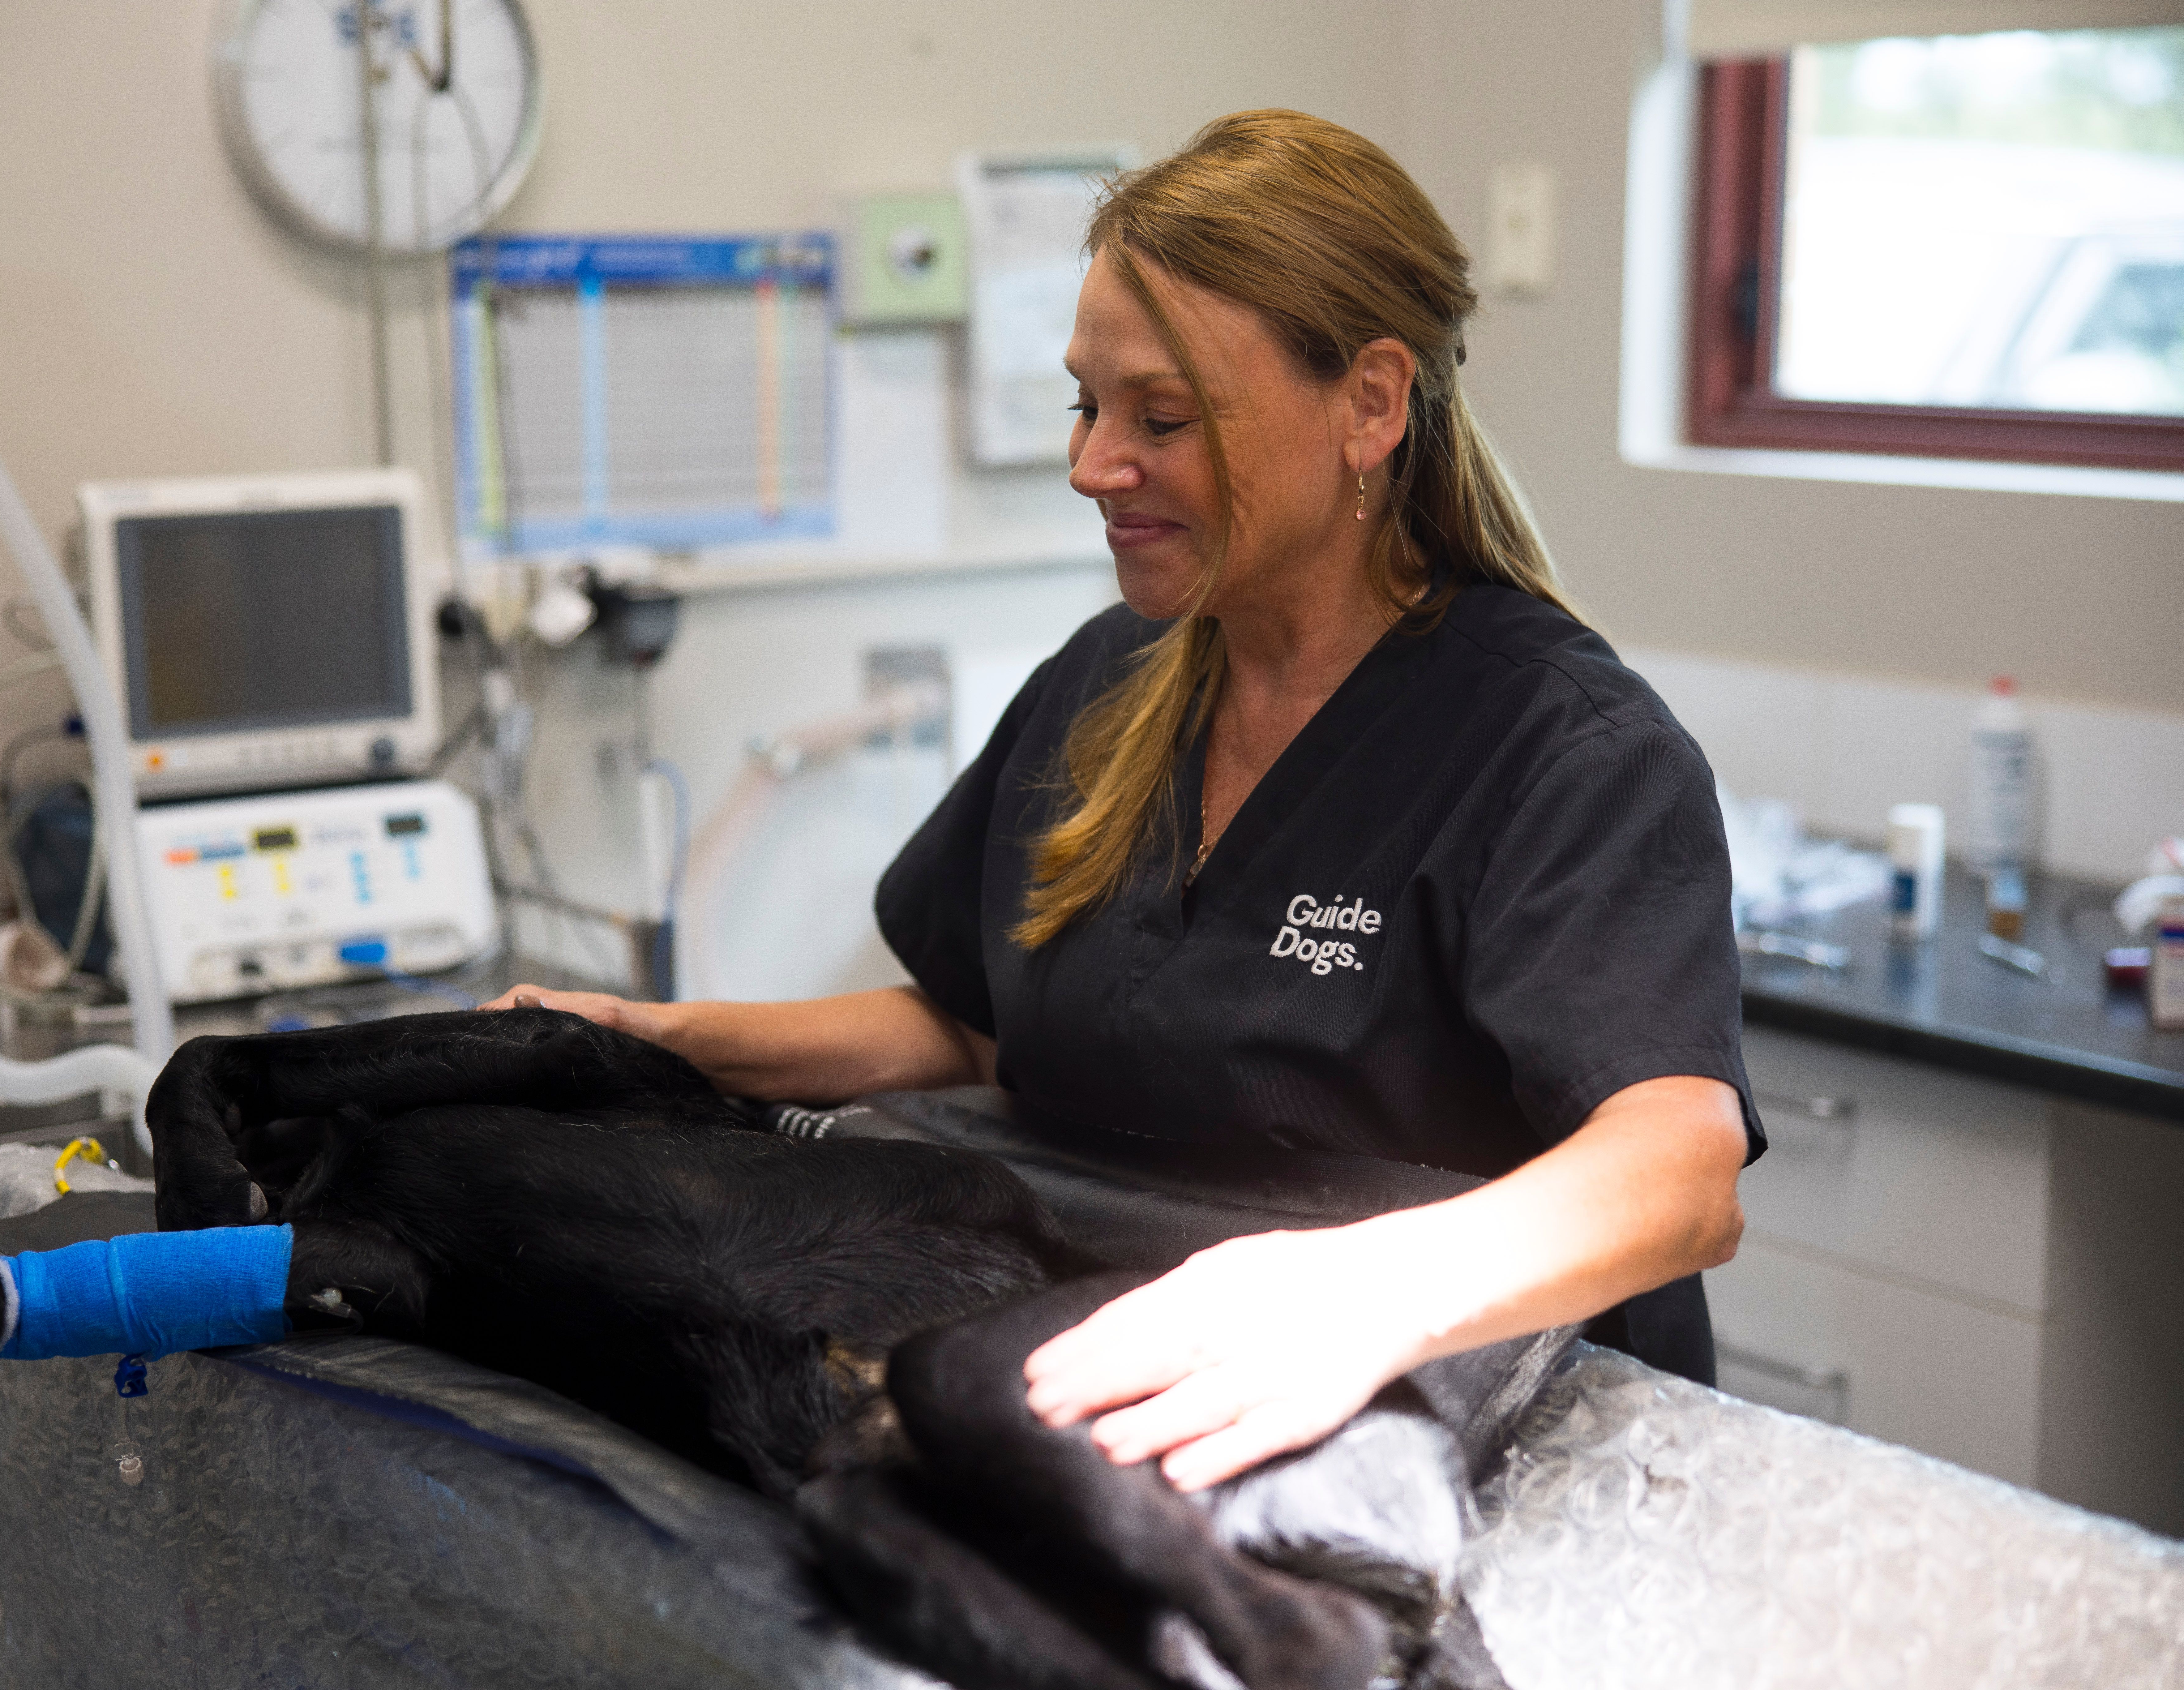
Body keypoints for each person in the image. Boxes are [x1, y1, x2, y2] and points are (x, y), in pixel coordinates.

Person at [488, 109, 1759, 1496]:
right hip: (1152, 1404)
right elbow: (972, 1026)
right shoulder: (1107, 685)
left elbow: (1676, 1170)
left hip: (1489, 1456)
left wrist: (1354, 1298)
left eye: (1163, 418)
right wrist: (661, 1039)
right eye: (1085, 404)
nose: (1094, 465)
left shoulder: (1557, 750)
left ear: (1371, 405)